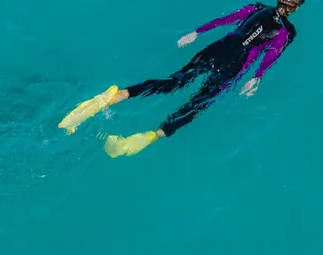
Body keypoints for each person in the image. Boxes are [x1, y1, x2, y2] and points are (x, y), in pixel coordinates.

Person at [56, 0, 303, 158]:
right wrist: (257, 78)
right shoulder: (286, 32)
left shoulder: (256, 8)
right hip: (233, 64)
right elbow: (270, 55)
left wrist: (195, 33)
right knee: (196, 104)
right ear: (297, 8)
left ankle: (115, 96)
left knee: (174, 81)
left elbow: (224, 21)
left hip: (217, 48)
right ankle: (148, 137)